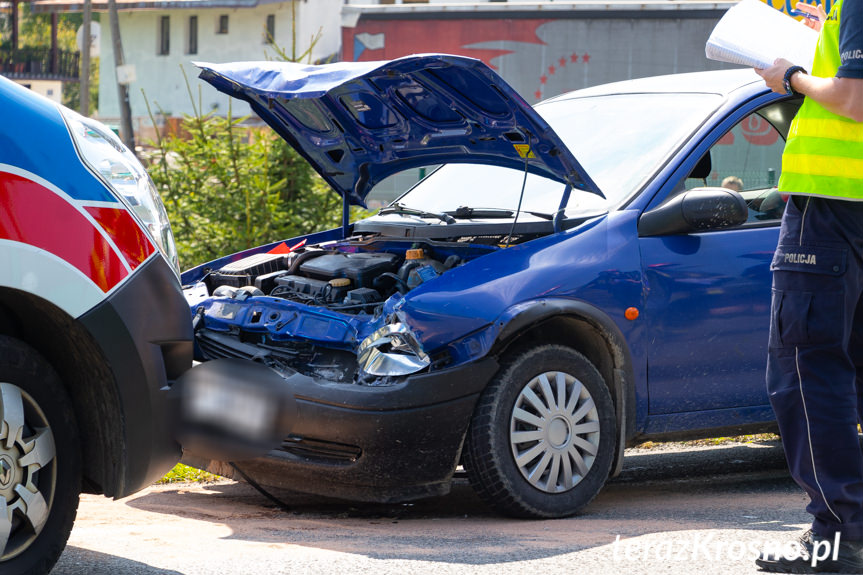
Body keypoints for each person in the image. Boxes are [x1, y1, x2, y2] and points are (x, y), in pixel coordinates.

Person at [754, 0, 863, 572]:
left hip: (831, 209)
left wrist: (791, 77)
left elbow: (855, 100)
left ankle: (842, 536)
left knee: (806, 370)